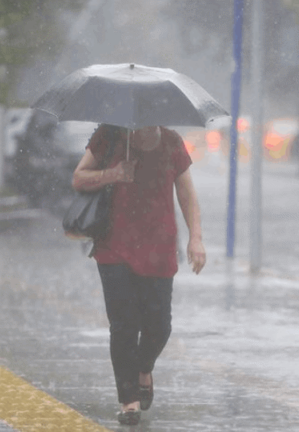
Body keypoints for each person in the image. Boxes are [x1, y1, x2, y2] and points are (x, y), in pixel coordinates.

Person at [72, 124, 206, 425]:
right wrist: (114, 174)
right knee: (124, 325)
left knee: (160, 326)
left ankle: (144, 368)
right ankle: (128, 400)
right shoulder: (109, 136)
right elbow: (79, 178)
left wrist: (195, 238)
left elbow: (186, 192)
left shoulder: (171, 142)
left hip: (159, 247)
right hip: (114, 246)